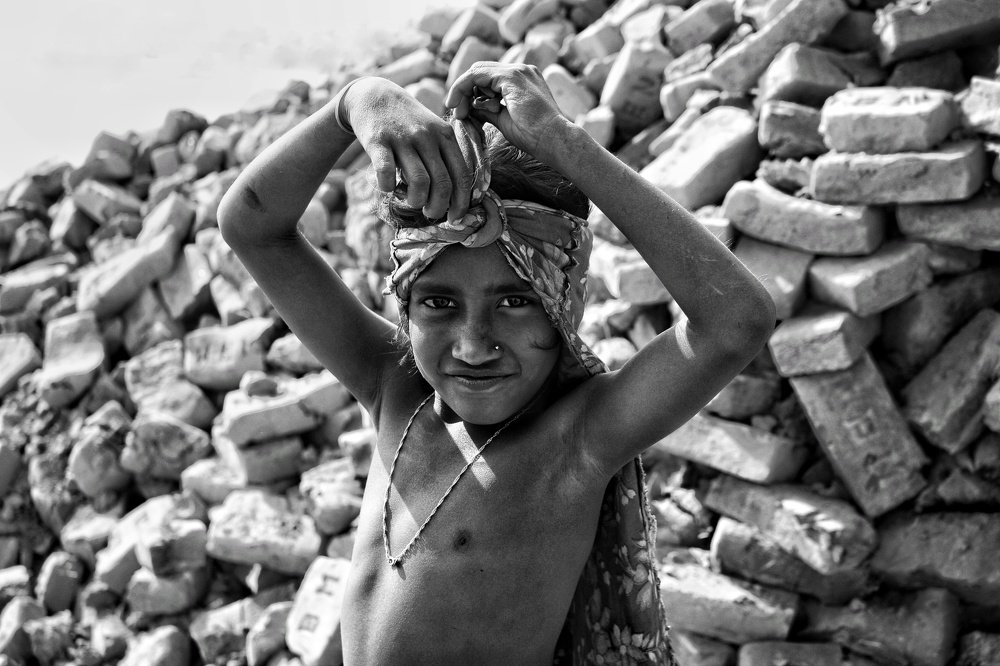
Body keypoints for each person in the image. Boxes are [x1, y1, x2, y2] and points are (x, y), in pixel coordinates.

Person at [218, 62, 776, 665]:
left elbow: (736, 322)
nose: (472, 345)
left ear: (562, 306)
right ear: (405, 303)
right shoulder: (394, 388)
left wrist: (563, 143)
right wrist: (357, 101)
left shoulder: (574, 441)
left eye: (515, 302)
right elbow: (250, 227)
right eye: (438, 303)